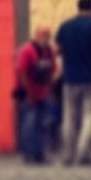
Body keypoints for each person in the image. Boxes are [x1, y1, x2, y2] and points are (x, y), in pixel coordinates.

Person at [55, 0, 91, 166]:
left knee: (69, 117)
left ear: (78, 7)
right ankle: (82, 154)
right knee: (90, 117)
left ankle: (67, 155)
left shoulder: (65, 26)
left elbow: (56, 50)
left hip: (70, 78)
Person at [15, 25, 57, 164]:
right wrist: (30, 94)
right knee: (29, 124)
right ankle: (29, 155)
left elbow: (52, 71)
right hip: (29, 94)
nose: (46, 37)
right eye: (43, 34)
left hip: (43, 93)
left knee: (43, 125)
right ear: (36, 34)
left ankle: (40, 154)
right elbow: (22, 72)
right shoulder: (27, 50)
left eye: (48, 34)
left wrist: (49, 89)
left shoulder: (49, 51)